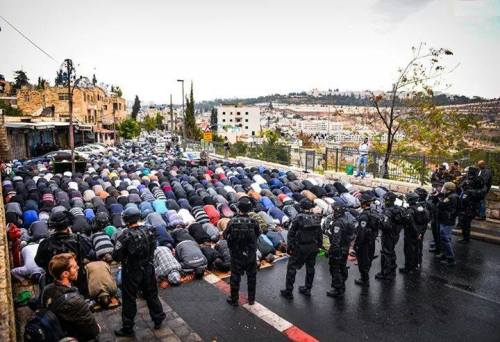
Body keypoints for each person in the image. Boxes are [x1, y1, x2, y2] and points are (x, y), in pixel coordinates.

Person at [112, 206, 166, 337]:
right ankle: (158, 319)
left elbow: (116, 256)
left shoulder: (123, 235)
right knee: (152, 294)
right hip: (148, 268)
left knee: (129, 299)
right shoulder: (149, 230)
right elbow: (154, 247)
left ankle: (128, 327)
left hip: (131, 271)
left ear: (126, 220)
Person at [40, 253, 100, 341]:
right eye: (74, 267)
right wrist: (97, 328)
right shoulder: (75, 300)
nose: (78, 268)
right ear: (65, 274)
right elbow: (92, 330)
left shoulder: (46, 289)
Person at [35, 210, 94, 295]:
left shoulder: (45, 243)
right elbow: (88, 251)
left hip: (54, 280)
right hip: (77, 279)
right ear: (68, 225)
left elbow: (39, 261)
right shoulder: (79, 239)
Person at [280, 199, 323, 299]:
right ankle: (308, 289)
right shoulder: (316, 217)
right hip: (313, 246)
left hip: (301, 247)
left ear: (301, 207)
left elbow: (291, 233)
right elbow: (319, 233)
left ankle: (289, 291)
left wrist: (290, 247)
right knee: (310, 267)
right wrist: (319, 245)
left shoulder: (299, 217)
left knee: (292, 267)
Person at [223, 197, 260, 306]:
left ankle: (234, 300)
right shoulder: (254, 221)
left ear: (238, 208)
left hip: (236, 253)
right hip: (250, 253)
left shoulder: (232, 221)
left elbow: (225, 235)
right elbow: (258, 234)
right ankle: (251, 299)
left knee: (235, 277)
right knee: (252, 277)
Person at [323, 204, 356, 297]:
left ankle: (337, 288)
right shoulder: (347, 220)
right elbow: (352, 235)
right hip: (345, 248)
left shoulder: (337, 223)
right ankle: (342, 284)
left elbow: (335, 240)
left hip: (338, 250)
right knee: (342, 266)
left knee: (334, 268)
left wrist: (330, 251)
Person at [354, 193, 385, 286]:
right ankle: (365, 277)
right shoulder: (374, 212)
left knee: (362, 261)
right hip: (372, 240)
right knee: (368, 259)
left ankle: (364, 279)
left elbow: (362, 232)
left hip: (365, 242)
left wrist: (358, 244)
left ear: (363, 203)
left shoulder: (364, 216)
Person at [376, 192, 407, 280]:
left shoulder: (388, 211)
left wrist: (380, 222)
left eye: (385, 199)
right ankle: (392, 268)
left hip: (388, 235)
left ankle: (386, 273)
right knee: (391, 251)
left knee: (386, 253)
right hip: (395, 234)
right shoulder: (397, 209)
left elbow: (386, 225)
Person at [400, 192, 430, 273]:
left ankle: (409, 268)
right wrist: (421, 233)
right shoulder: (422, 207)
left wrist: (417, 233)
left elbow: (411, 223)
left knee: (409, 250)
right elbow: (426, 220)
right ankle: (416, 265)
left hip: (412, 233)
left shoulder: (410, 210)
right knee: (417, 249)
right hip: (420, 232)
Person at [457, 166, 485, 244]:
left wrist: (471, 191)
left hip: (471, 204)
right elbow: (460, 186)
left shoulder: (479, 179)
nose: (469, 173)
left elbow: (482, 192)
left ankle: (466, 238)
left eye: (471, 171)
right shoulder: (467, 178)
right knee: (463, 221)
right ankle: (464, 237)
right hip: (464, 202)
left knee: (466, 222)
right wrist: (464, 186)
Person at [436, 182, 459, 266]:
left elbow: (451, 209)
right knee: (443, 238)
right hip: (444, 220)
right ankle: (444, 254)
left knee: (445, 238)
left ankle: (450, 258)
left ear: (448, 189)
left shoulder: (452, 197)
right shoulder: (448, 195)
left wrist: (441, 202)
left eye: (444, 188)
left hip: (447, 221)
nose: (443, 189)